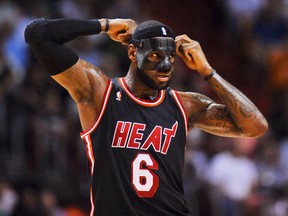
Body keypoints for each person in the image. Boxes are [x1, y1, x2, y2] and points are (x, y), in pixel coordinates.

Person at [24, 17, 268, 216]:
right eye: (155, 56)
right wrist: (105, 25)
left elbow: (255, 126)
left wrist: (208, 71)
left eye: (170, 58)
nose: (164, 66)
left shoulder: (185, 105)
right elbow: (38, 35)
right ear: (132, 53)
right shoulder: (100, 93)